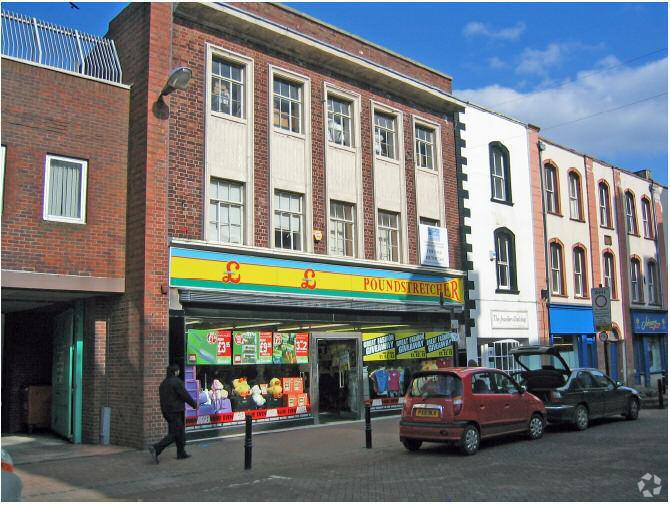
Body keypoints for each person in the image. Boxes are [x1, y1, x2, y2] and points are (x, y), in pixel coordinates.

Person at [149, 364, 197, 463]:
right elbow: (184, 395)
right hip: (175, 411)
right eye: (178, 370)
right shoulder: (176, 382)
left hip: (166, 412)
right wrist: (193, 404)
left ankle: (181, 453)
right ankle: (156, 448)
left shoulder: (163, 383)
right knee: (175, 434)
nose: (179, 372)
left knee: (179, 432)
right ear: (175, 371)